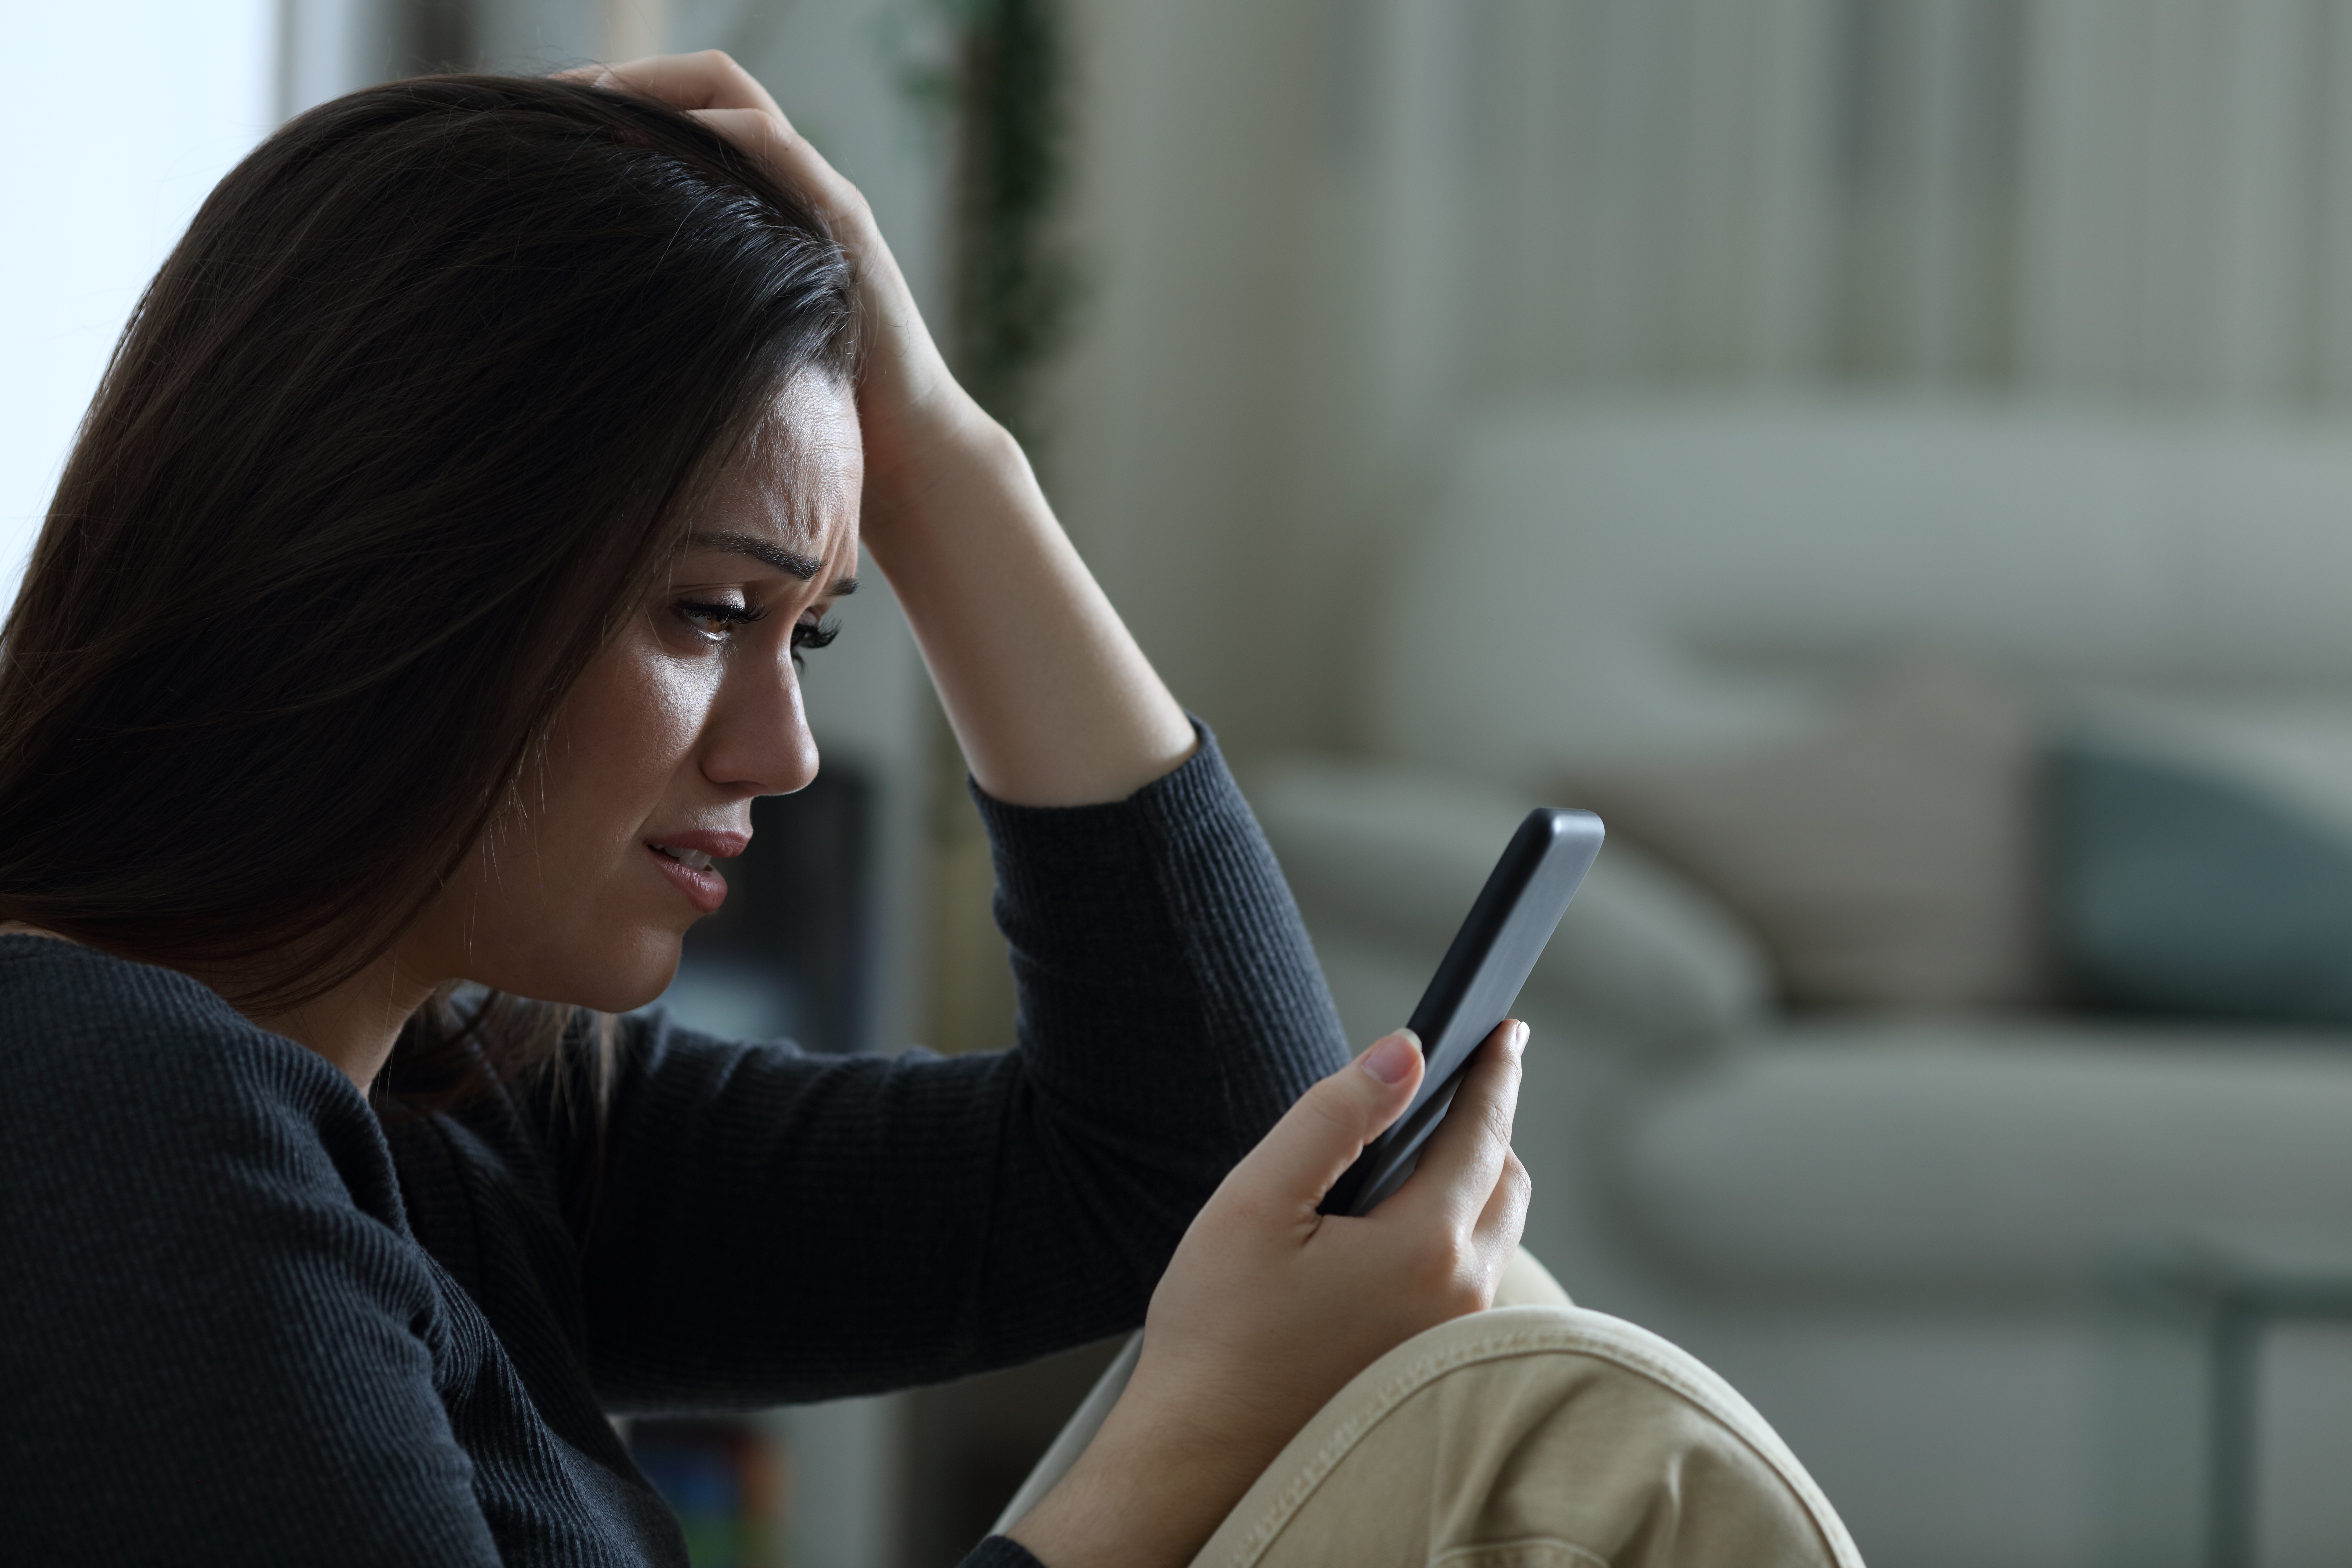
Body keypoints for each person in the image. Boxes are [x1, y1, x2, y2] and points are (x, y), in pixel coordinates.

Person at [0, 53, 1860, 1568]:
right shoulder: (99, 1116)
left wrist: (944, 449)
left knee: (1485, 1347)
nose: (786, 751)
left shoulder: (460, 1101)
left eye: (815, 626)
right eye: (711, 613)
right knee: (1562, 1454)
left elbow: (1198, 1150)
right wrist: (1184, 1430)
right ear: (384, 564)